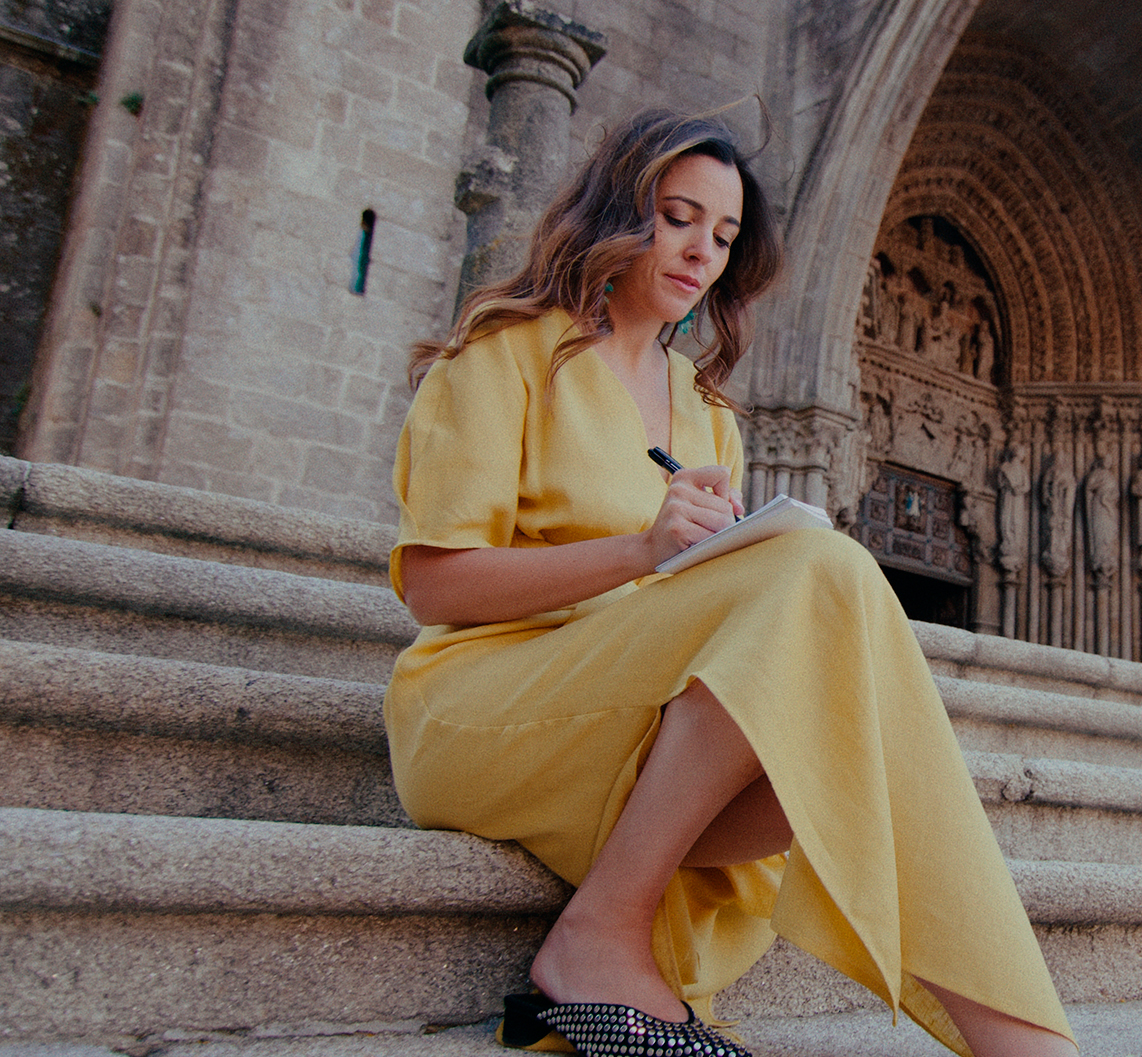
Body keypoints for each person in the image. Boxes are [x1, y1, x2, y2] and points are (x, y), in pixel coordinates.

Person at [383, 106, 1077, 1057]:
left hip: (638, 715)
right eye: (677, 218)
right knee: (823, 568)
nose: (700, 252)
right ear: (617, 212)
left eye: (722, 234)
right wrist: (642, 551)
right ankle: (600, 934)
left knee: (854, 732)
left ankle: (1025, 1047)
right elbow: (434, 588)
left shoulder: (708, 414)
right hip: (483, 706)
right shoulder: (504, 353)